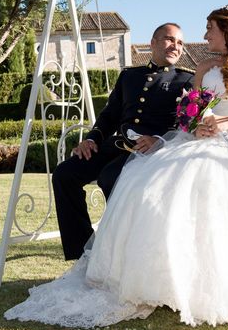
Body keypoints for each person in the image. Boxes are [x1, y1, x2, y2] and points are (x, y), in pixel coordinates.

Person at [5, 4, 228, 329]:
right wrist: (195, 127)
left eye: (208, 28)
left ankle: (174, 273)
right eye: (171, 40)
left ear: (227, 30)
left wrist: (219, 124)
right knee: (93, 175)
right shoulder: (184, 68)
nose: (198, 37)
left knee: (132, 178)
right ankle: (95, 254)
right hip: (168, 140)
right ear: (153, 43)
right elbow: (173, 116)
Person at [52, 23, 194, 260]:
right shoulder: (129, 76)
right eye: (170, 39)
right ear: (153, 43)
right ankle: (83, 253)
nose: (175, 46)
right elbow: (109, 116)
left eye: (180, 43)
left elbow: (183, 124)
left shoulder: (186, 81)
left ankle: (119, 255)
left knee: (111, 177)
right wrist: (91, 139)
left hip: (149, 151)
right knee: (64, 174)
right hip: (115, 146)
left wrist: (159, 140)